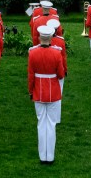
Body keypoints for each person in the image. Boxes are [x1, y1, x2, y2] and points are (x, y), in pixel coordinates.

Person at [28, 21, 65, 164]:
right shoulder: (57, 53)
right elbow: (61, 74)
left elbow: (31, 76)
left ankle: (42, 155)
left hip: (38, 91)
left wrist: (31, 91)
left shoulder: (32, 53)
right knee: (51, 124)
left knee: (41, 123)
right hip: (53, 92)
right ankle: (50, 156)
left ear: (39, 38)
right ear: (50, 38)